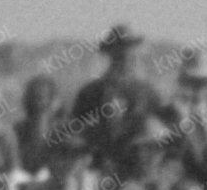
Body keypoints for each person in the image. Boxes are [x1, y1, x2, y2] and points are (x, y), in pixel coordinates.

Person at [66, 24, 160, 164]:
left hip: (137, 167)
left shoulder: (147, 92)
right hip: (97, 165)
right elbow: (75, 131)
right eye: (120, 48)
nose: (126, 53)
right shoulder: (91, 92)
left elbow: (159, 133)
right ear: (110, 52)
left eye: (129, 47)